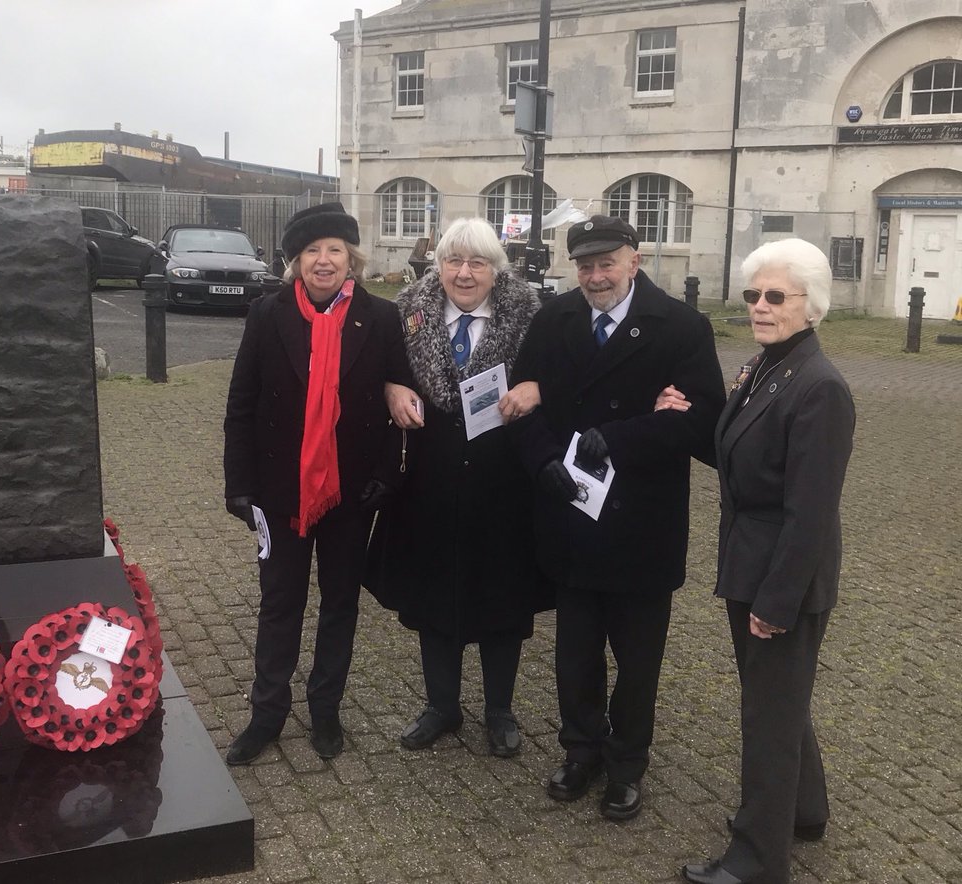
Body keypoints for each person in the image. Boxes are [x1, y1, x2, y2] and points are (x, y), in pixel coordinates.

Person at [509, 215, 725, 820]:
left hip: (641, 522)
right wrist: (542, 461)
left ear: (636, 260)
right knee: (575, 652)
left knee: (638, 660)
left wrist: (623, 438)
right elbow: (523, 400)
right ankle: (580, 750)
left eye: (607, 263)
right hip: (572, 512)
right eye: (585, 265)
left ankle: (627, 762)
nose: (595, 276)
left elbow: (705, 419)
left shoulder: (680, 326)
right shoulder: (554, 318)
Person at [679, 239, 854, 884]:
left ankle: (757, 858)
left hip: (782, 576)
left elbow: (812, 512)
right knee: (778, 699)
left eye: (776, 296)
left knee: (768, 718)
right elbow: (739, 454)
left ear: (812, 305)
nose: (760, 306)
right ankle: (804, 811)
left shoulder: (819, 387)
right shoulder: (767, 366)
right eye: (754, 294)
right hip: (749, 561)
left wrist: (778, 602)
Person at [222, 202, 412, 765]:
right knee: (280, 602)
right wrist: (239, 483)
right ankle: (267, 714)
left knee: (340, 603)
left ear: (352, 259)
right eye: (311, 251)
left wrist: (386, 475)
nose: (323, 260)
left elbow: (398, 395)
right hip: (280, 490)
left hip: (350, 492)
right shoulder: (267, 313)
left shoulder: (381, 317)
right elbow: (241, 402)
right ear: (296, 262)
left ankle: (325, 708)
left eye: (334, 250)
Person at [365, 217, 549, 758]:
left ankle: (500, 710)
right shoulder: (408, 312)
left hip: (504, 481)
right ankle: (441, 706)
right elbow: (378, 367)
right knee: (433, 593)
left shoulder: (533, 316)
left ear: (497, 269)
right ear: (438, 264)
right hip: (431, 477)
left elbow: (561, 372)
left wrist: (538, 386)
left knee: (502, 596)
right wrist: (391, 386)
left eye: (477, 263)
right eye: (454, 261)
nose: (464, 274)